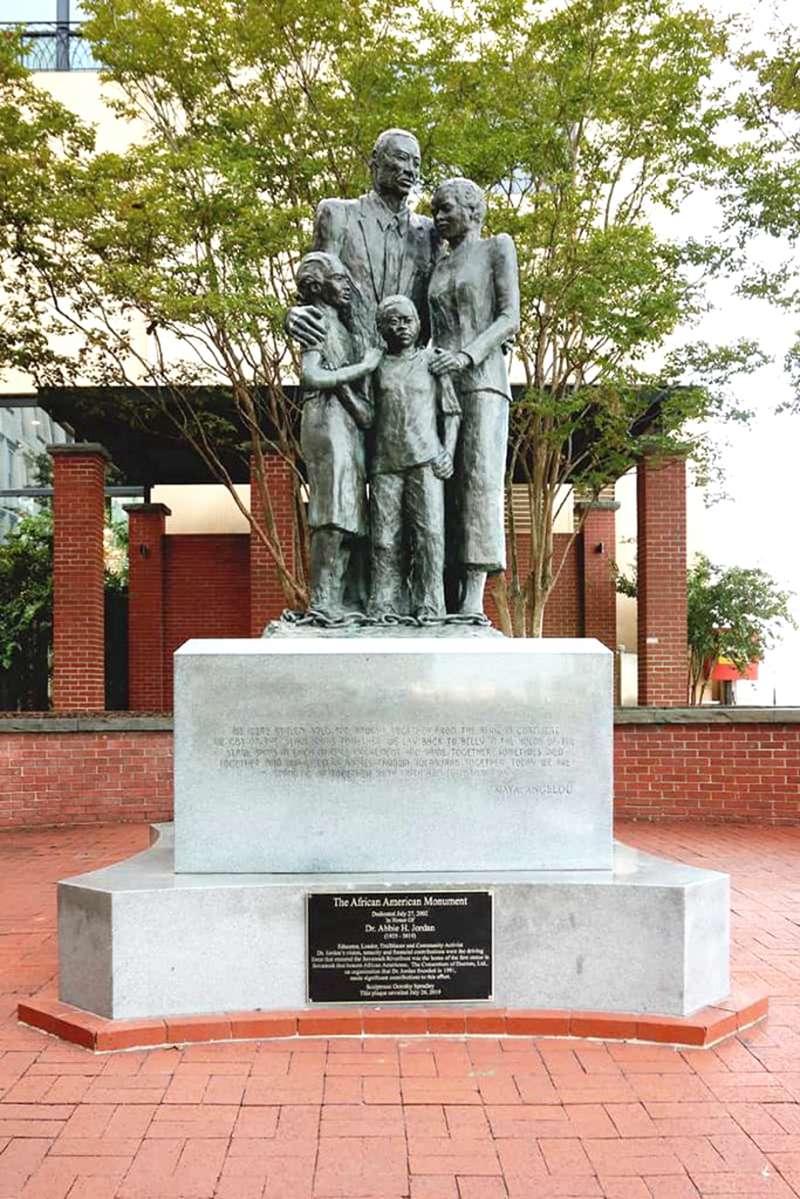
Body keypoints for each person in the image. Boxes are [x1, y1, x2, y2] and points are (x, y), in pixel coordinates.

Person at [428, 177, 520, 617]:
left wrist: (467, 356)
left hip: (483, 381)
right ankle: (441, 592)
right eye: (435, 210)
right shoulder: (438, 265)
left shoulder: (496, 248)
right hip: (440, 384)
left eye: (446, 207)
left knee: (478, 482)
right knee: (442, 485)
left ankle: (471, 598)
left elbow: (509, 317)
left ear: (471, 209)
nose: (439, 216)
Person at [286, 129, 439, 351]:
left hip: (408, 373)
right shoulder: (338, 215)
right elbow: (315, 290)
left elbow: (449, 299)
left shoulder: (431, 232)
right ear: (375, 160)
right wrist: (295, 315)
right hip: (349, 363)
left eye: (416, 163)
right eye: (401, 158)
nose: (410, 170)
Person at [295, 251, 382, 616]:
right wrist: (361, 368)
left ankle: (341, 599)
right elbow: (311, 375)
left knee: (349, 516)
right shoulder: (316, 320)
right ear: (317, 286)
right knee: (330, 515)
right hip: (325, 421)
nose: (347, 286)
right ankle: (322, 601)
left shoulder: (343, 326)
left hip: (345, 422)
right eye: (339, 280)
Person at [367, 295, 461, 619]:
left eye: (406, 320)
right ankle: (384, 605)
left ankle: (430, 606)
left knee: (430, 537)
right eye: (392, 321)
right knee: (383, 539)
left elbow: (451, 411)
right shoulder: (375, 366)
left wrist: (447, 451)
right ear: (381, 328)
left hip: (426, 462)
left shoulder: (432, 361)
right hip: (385, 464)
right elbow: (366, 414)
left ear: (417, 324)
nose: (400, 327)